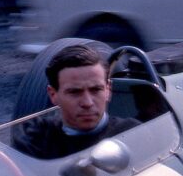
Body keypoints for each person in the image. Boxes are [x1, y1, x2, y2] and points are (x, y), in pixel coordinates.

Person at [13, 44, 141, 160]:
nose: (87, 103)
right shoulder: (35, 138)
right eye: (75, 92)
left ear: (108, 90)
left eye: (96, 90)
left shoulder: (133, 133)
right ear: (53, 95)